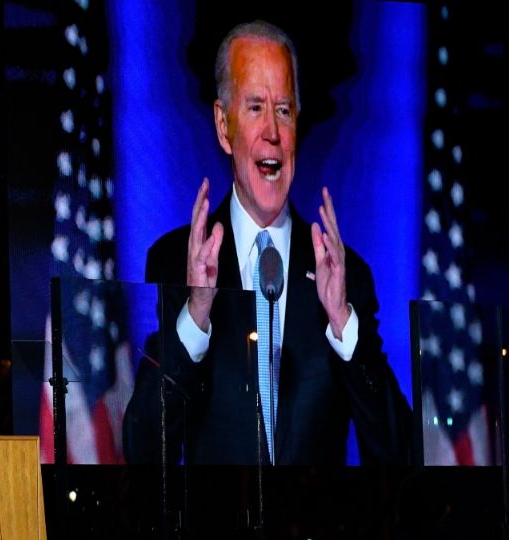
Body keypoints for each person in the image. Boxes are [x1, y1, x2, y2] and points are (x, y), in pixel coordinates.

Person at [123, 20, 411, 465]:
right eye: (255, 107)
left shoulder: (343, 274)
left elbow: (396, 450)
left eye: (284, 109)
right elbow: (143, 448)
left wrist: (342, 322)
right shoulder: (175, 262)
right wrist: (196, 314)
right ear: (224, 125)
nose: (273, 131)